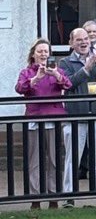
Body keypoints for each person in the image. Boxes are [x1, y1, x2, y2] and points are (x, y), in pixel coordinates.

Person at [16, 39, 72, 209]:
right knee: (34, 160)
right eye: (40, 51)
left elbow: (68, 84)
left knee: (54, 159)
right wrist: (35, 79)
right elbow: (19, 88)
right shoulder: (26, 72)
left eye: (46, 51)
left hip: (53, 118)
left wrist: (55, 75)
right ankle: (36, 197)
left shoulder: (57, 70)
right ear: (33, 54)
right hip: (35, 117)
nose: (43, 54)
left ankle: (54, 196)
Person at [59, 28, 96, 201]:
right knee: (72, 158)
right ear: (71, 43)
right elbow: (68, 84)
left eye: (86, 39)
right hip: (75, 115)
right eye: (79, 40)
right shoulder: (65, 62)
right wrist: (87, 68)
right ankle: (69, 195)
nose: (83, 43)